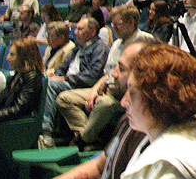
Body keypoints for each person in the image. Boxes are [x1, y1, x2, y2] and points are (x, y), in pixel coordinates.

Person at [56, 6, 153, 148]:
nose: (114, 28)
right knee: (64, 99)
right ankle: (89, 138)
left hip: (125, 95)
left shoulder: (144, 42)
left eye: (118, 24)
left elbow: (146, 78)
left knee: (104, 104)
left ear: (131, 22)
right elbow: (108, 72)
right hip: (107, 88)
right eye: (112, 24)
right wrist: (95, 89)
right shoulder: (117, 44)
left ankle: (82, 141)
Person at [54, 42, 150, 179]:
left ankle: (84, 140)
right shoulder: (127, 121)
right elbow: (99, 167)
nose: (114, 74)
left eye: (121, 69)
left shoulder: (156, 144)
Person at [119, 44, 196, 178]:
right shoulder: (156, 142)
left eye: (132, 93)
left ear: (158, 99)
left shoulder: (171, 166)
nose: (124, 102)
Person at [38, 17, 110, 149]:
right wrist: (55, 73)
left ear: (92, 32)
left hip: (82, 85)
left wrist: (66, 79)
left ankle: (46, 132)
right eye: (76, 28)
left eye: (80, 29)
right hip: (70, 81)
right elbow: (64, 68)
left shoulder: (100, 48)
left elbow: (93, 76)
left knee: (51, 84)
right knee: (46, 80)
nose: (75, 32)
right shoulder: (78, 47)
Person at [0, 37, 44, 124]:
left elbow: (19, 110)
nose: (7, 58)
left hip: (19, 124)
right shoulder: (18, 74)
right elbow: (2, 100)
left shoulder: (32, 78)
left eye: (12, 54)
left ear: (24, 57)